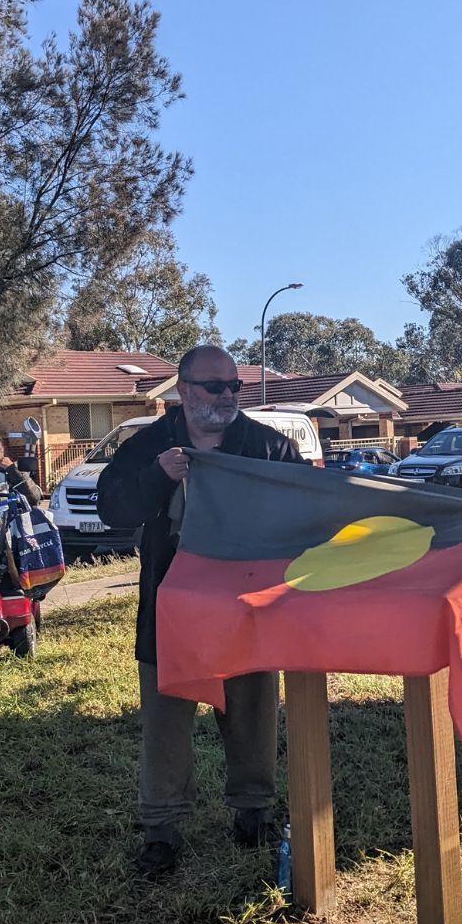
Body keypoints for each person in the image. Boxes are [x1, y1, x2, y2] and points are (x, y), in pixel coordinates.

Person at [98, 345, 309, 878]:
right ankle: (162, 829)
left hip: (246, 610)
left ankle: (253, 814)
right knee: (165, 724)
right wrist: (159, 476)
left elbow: (308, 512)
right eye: (215, 386)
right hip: (171, 613)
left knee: (252, 713)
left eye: (234, 386)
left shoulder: (268, 447)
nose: (227, 396)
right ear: (184, 389)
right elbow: (112, 509)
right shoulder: (150, 445)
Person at [0, 435, 43, 504]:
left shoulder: (13, 471)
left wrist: (12, 470)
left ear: (1, 455)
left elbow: (35, 499)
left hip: (8, 512)